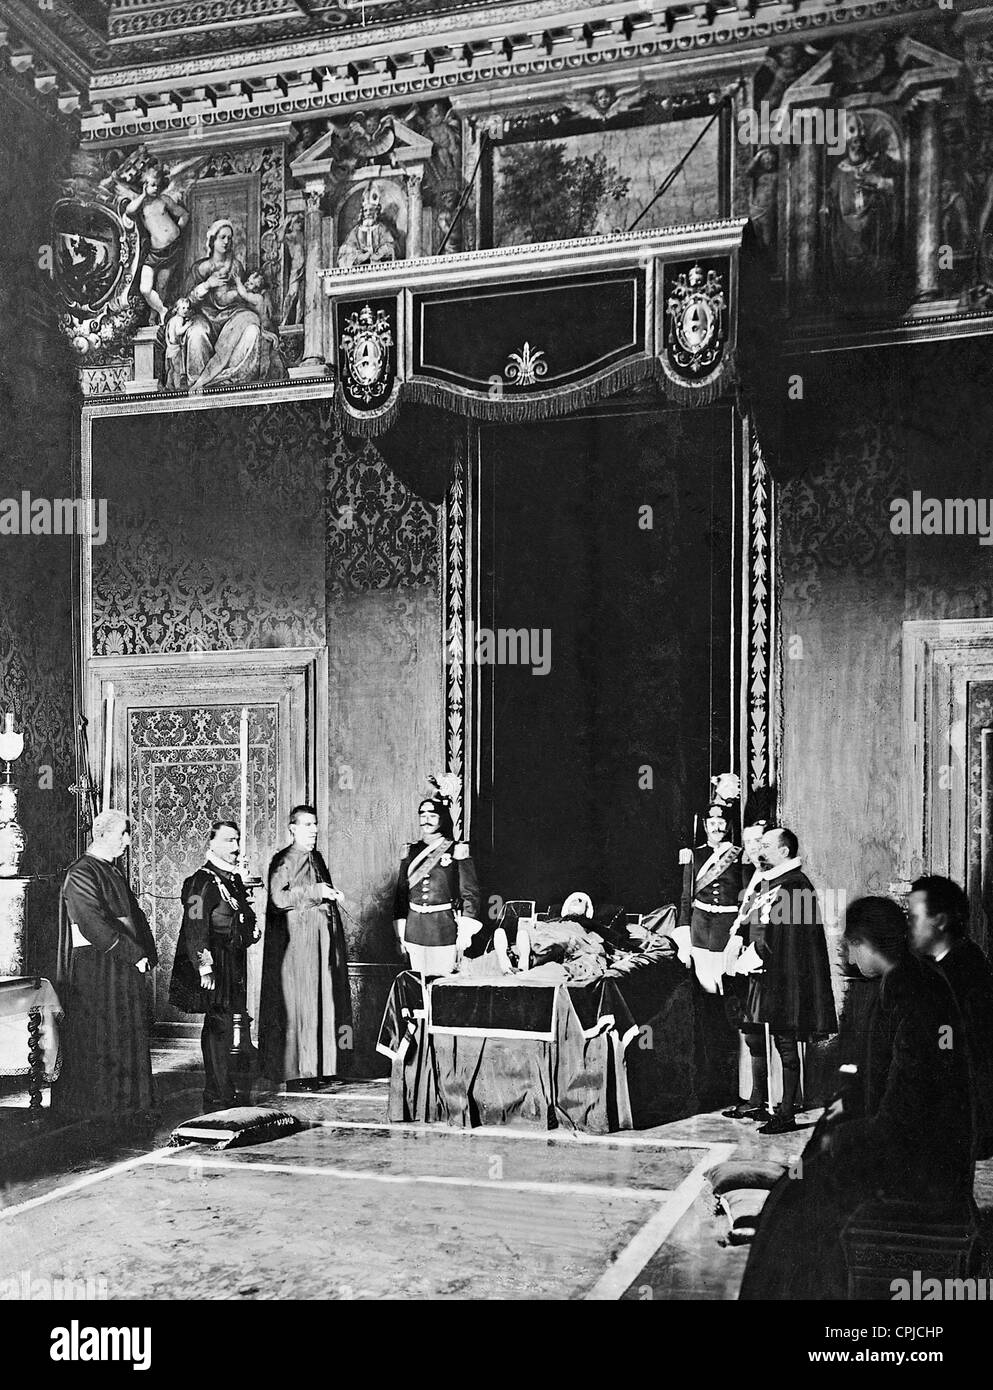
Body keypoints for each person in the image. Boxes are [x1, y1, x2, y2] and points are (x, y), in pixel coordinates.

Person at [740, 897, 974, 1301]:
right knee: (800, 1182)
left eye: (849, 945)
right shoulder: (907, 980)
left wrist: (840, 1139)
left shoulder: (910, 992)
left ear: (865, 943)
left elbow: (906, 1114)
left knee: (800, 1205)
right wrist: (847, 1103)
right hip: (915, 1146)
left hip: (926, 1166)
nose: (847, 955)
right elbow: (881, 1077)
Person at [51, 809, 158, 1127]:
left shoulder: (112, 871)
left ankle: (127, 1107)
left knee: (125, 1033)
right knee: (101, 1036)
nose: (128, 841)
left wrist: (145, 952)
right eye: (124, 834)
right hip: (98, 968)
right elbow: (92, 923)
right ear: (104, 834)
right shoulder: (81, 872)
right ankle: (102, 1112)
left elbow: (133, 915)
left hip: (122, 964)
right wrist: (132, 953)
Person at [736, 826, 837, 1134]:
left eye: (766, 844)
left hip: (785, 977)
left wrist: (755, 956)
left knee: (786, 1041)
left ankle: (786, 1114)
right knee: (764, 1035)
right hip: (766, 972)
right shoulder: (773, 882)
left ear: (783, 851)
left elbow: (788, 940)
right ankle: (763, 1104)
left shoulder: (795, 886)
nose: (760, 849)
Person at [169, 821, 260, 1111]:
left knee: (223, 1021)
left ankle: (221, 1087)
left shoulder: (231, 879)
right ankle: (218, 1091)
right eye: (228, 841)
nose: (235, 848)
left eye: (237, 841)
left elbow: (239, 915)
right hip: (212, 961)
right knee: (218, 1023)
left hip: (231, 960)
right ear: (212, 844)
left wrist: (250, 933)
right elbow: (195, 927)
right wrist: (204, 966)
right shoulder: (201, 881)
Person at [258, 806, 350, 1088]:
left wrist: (330, 895)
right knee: (302, 1007)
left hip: (322, 946)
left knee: (323, 1002)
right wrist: (316, 892)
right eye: (307, 824)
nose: (313, 830)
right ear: (292, 829)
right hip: (298, 948)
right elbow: (277, 898)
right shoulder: (284, 859)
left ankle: (322, 1067)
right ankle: (299, 1073)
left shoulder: (316, 858)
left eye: (315, 824)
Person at [909, 874, 993, 1160]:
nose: (908, 926)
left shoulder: (965, 968)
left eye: (914, 918)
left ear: (941, 921)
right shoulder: (932, 966)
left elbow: (965, 1052)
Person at [184, 220, 286, 391]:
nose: (226, 242)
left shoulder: (236, 266)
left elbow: (245, 294)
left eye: (229, 238)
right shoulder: (200, 268)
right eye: (222, 237)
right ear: (212, 240)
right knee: (195, 334)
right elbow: (187, 301)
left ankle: (232, 377)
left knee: (252, 330)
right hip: (206, 316)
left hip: (234, 315)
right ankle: (198, 382)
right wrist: (207, 285)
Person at [393, 787, 480, 978]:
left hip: (443, 929)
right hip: (414, 930)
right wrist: (400, 933)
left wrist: (464, 932)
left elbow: (470, 893)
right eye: (422, 814)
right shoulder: (410, 851)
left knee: (442, 986)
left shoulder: (456, 849)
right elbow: (401, 895)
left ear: (442, 818)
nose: (426, 819)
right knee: (418, 987)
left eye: (432, 815)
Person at [675, 802, 744, 995]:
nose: (717, 827)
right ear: (705, 826)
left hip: (727, 925)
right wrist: (684, 931)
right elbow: (685, 898)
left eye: (721, 822)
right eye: (712, 823)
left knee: (726, 982)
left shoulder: (739, 856)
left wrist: (742, 931)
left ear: (728, 826)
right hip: (700, 926)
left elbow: (746, 897)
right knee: (703, 983)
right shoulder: (694, 855)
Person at [124, 162, 190, 323]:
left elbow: (183, 215)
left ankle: (156, 316)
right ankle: (162, 310)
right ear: (145, 185)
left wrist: (176, 231)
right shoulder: (141, 205)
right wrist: (142, 195)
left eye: (157, 185)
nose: (156, 188)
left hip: (172, 249)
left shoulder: (164, 200)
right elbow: (129, 211)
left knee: (162, 286)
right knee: (145, 289)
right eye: (152, 185)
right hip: (155, 252)